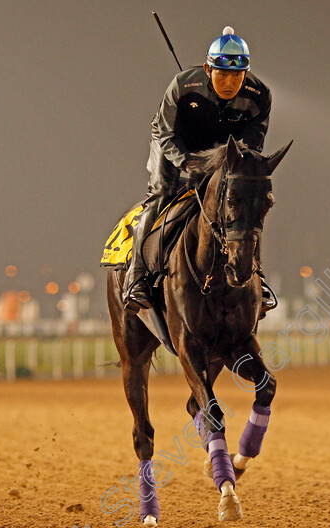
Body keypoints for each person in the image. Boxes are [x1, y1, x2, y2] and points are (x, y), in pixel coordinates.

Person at [123, 26, 273, 313]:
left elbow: (251, 148)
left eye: (237, 76)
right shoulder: (182, 86)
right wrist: (188, 164)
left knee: (244, 202)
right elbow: (167, 135)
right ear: (207, 68)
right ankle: (137, 278)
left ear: (246, 74)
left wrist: (228, 170)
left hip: (221, 147)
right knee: (162, 193)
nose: (230, 83)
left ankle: (257, 276)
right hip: (174, 142)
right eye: (222, 74)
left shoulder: (260, 95)